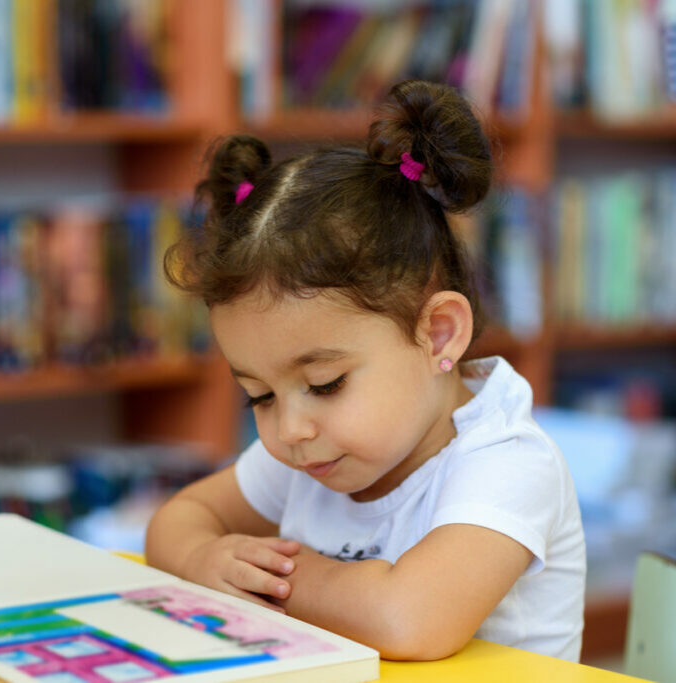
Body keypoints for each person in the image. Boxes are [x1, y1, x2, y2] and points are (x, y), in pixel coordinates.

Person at [145, 80, 586, 662]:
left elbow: (411, 621)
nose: (290, 428)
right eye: (259, 396)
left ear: (438, 334)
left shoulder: (506, 461)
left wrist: (272, 579)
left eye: (325, 384)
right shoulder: (316, 452)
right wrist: (204, 559)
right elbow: (178, 520)